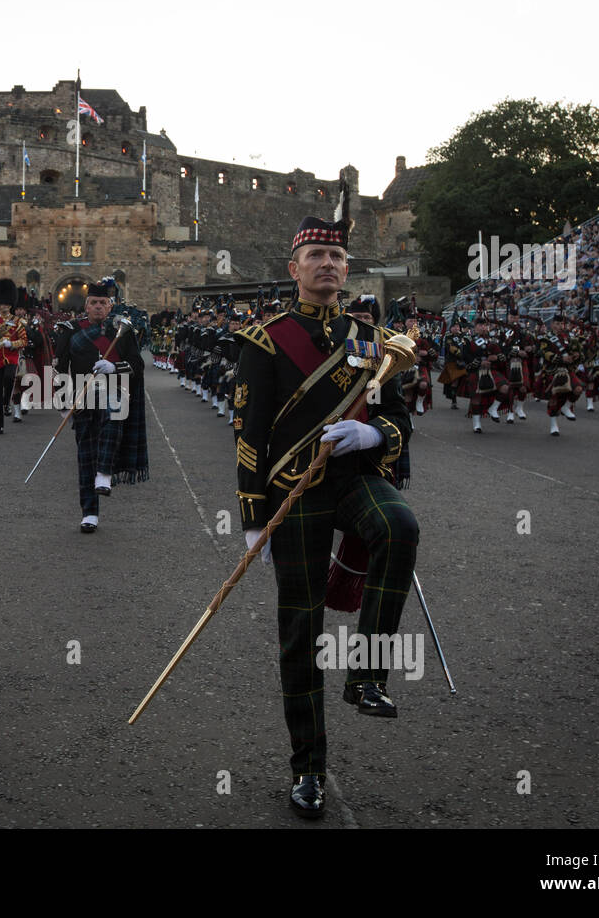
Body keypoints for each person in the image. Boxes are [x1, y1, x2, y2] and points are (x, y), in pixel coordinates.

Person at [232, 214, 418, 819]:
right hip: (294, 490)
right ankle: (308, 767)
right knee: (302, 632)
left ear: (346, 269)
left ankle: (366, 673)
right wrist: (253, 515)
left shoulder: (370, 338)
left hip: (353, 478)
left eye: (336, 257)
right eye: (315, 255)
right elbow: (249, 430)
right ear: (294, 269)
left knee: (400, 527)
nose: (328, 265)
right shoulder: (265, 339)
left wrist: (371, 434)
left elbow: (400, 420)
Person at [53, 275, 148, 533]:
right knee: (86, 458)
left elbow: (137, 366)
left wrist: (113, 367)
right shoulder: (71, 330)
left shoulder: (123, 332)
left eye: (102, 303)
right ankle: (90, 513)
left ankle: (105, 473)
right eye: (93, 302)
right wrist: (63, 404)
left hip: (113, 393)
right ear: (86, 306)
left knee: (114, 413)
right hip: (82, 400)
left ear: (110, 306)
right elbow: (59, 367)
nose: (97, 307)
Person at [0, 278, 27, 434]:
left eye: (7, 303)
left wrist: (11, 344)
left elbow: (24, 341)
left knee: (9, 378)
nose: (5, 306)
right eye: (2, 303)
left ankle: (7, 401)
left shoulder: (17, 322)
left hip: (11, 357)